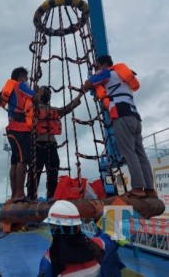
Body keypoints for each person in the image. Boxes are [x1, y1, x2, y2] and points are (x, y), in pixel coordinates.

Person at [76, 55, 157, 198]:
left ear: (104, 65)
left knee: (128, 153)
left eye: (98, 65)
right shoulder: (123, 77)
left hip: (121, 115)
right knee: (141, 153)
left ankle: (138, 188)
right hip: (134, 116)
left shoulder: (107, 72)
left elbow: (88, 84)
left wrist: (93, 73)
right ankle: (150, 189)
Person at [38, 200, 125, 277]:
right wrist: (101, 215)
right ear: (78, 227)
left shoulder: (49, 260)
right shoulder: (96, 247)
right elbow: (112, 235)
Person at [27, 86, 81, 201]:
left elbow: (67, 108)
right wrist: (34, 92)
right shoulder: (33, 106)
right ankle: (31, 196)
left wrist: (79, 96)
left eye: (48, 92)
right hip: (37, 143)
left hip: (51, 143)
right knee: (35, 170)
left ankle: (51, 195)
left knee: (53, 168)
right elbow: (30, 102)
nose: (46, 93)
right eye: (43, 90)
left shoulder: (53, 109)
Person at [6, 66, 43, 202]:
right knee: (23, 160)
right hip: (20, 128)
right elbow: (35, 98)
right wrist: (38, 92)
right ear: (21, 77)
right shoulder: (20, 85)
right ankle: (20, 194)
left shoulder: (12, 89)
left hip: (11, 128)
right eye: (26, 77)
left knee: (15, 161)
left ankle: (14, 194)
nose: (27, 80)